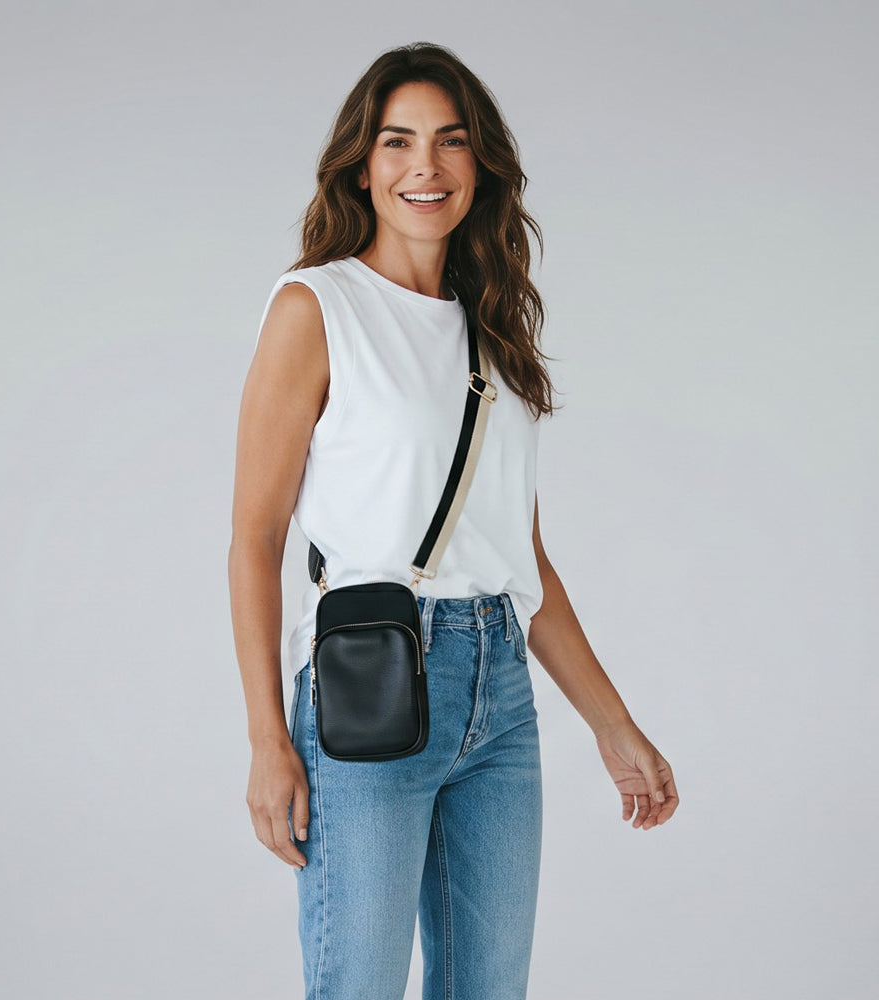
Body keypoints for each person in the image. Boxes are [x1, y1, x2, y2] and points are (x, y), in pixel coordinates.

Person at [229, 41, 679, 1000]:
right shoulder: (319, 306)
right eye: (397, 142)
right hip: (371, 687)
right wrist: (269, 739)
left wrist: (615, 727)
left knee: (489, 988)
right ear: (363, 163)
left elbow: (524, 561)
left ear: (481, 165)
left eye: (450, 142)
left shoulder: (496, 335)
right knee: (358, 984)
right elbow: (255, 537)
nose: (424, 167)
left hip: (502, 698)